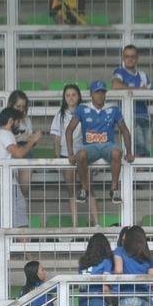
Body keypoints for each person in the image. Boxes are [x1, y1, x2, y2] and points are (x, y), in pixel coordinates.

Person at [49, 84, 98, 227]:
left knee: (88, 187)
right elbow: (56, 139)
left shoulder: (87, 112)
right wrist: (58, 158)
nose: (70, 98)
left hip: (84, 155)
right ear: (64, 98)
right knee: (71, 190)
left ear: (79, 97)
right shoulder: (60, 115)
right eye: (67, 95)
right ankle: (75, 224)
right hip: (66, 156)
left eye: (73, 95)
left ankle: (96, 223)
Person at [0, 106, 42, 228]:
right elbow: (19, 153)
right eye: (17, 122)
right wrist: (32, 140)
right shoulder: (6, 134)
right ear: (11, 121)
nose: (19, 126)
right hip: (7, 183)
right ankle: (23, 246)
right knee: (21, 221)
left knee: (4, 221)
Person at [112, 44, 153, 157]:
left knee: (146, 148)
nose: (130, 59)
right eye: (127, 56)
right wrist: (138, 90)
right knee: (138, 147)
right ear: (123, 58)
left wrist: (134, 91)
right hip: (129, 117)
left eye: (132, 56)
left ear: (137, 58)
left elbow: (150, 95)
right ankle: (138, 173)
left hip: (144, 116)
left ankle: (144, 173)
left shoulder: (143, 75)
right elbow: (115, 85)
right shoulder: (119, 72)